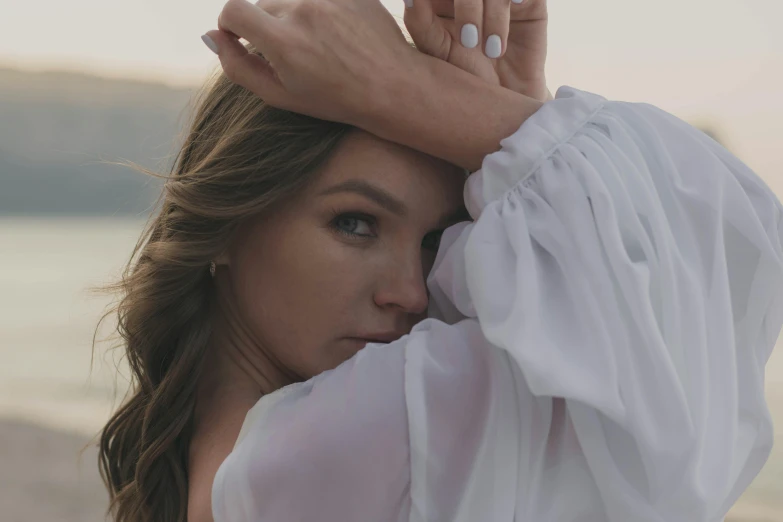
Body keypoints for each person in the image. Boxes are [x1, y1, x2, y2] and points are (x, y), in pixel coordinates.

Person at [96, 0, 783, 521]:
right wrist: (416, 94)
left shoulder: (231, 468)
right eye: (355, 223)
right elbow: (686, 329)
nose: (412, 293)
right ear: (227, 223)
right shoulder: (328, 444)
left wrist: (504, 115)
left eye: (436, 242)